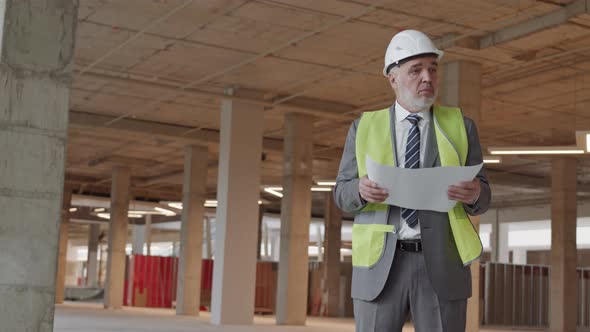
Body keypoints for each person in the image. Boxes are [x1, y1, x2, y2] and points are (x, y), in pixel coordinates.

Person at [333, 30, 491, 332]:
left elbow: (484, 196)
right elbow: (341, 193)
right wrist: (361, 190)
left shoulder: (462, 126)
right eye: (415, 70)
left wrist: (474, 193)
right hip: (381, 266)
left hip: (442, 265)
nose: (427, 78)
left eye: (432, 69)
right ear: (393, 78)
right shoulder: (363, 127)